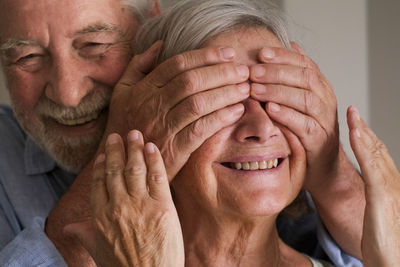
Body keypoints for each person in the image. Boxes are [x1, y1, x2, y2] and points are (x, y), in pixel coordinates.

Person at [0, 0, 365, 265]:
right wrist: (129, 144)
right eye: (27, 57)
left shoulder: (283, 162)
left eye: (94, 46)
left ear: (148, 34)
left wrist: (335, 169)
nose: (68, 93)